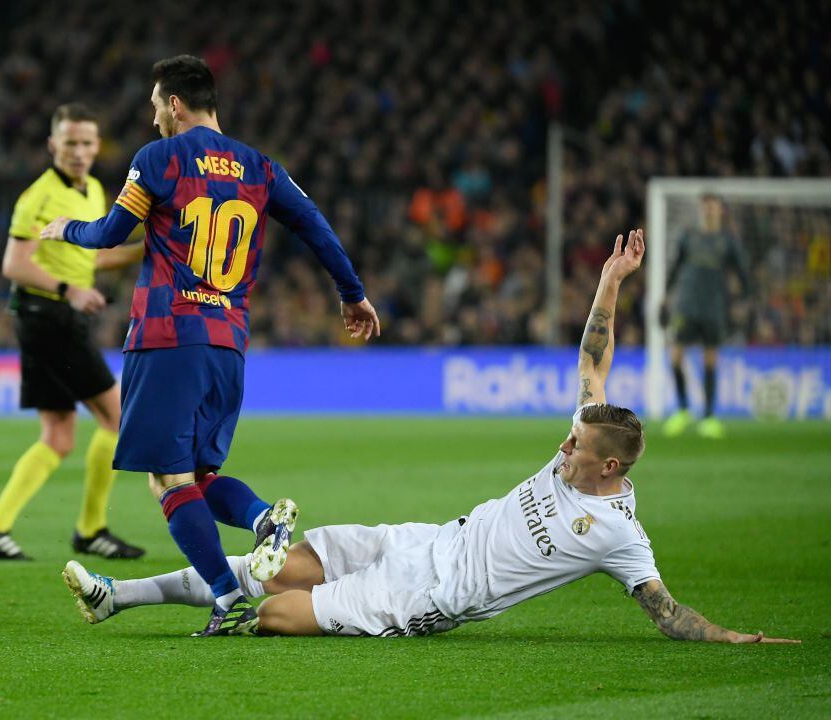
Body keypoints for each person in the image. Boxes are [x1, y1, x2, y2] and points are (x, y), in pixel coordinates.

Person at [62, 229, 797, 644]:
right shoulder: (586, 441)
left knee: (276, 613)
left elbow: (666, 613)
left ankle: (157, 597)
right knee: (276, 564)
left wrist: (735, 638)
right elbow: (591, 359)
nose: (562, 448)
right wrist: (610, 279)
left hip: (433, 594)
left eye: (575, 450)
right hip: (426, 537)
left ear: (609, 469)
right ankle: (117, 597)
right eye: (570, 439)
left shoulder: (619, 534)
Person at [43, 55, 381, 636]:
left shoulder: (158, 159)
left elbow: (110, 234)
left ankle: (227, 598)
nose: (152, 121)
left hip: (167, 335)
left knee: (166, 481)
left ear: (174, 103)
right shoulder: (261, 167)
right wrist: (352, 293)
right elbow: (315, 224)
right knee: (196, 479)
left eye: (155, 107)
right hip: (228, 342)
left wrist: (64, 230)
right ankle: (261, 520)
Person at [0, 103, 146, 562]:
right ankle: (91, 529)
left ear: (96, 146)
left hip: (48, 318)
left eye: (87, 142)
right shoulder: (39, 196)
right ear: (53, 145)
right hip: (49, 317)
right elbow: (14, 263)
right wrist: (69, 290)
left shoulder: (92, 192)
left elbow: (91, 258)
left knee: (58, 436)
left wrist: (143, 249)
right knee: (116, 417)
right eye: (70, 142)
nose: (79, 151)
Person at [661, 194, 751, 439]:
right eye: (706, 206)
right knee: (676, 356)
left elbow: (742, 273)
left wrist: (744, 300)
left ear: (720, 210)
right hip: (687, 306)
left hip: (714, 307)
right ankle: (682, 410)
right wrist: (666, 296)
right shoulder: (689, 236)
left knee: (710, 359)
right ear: (702, 209)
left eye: (714, 207)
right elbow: (675, 266)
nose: (710, 211)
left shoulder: (728, 241)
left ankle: (709, 416)